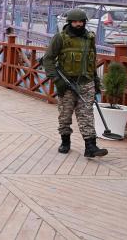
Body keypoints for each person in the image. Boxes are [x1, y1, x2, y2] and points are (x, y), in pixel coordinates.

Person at [42, 8, 107, 158]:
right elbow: (48, 60)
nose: (78, 24)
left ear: (84, 22)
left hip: (86, 82)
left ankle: (90, 146)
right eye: (75, 22)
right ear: (70, 22)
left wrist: (96, 81)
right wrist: (58, 81)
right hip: (67, 83)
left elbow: (91, 61)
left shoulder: (90, 38)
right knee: (65, 115)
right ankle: (65, 142)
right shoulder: (60, 38)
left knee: (87, 114)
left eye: (81, 22)